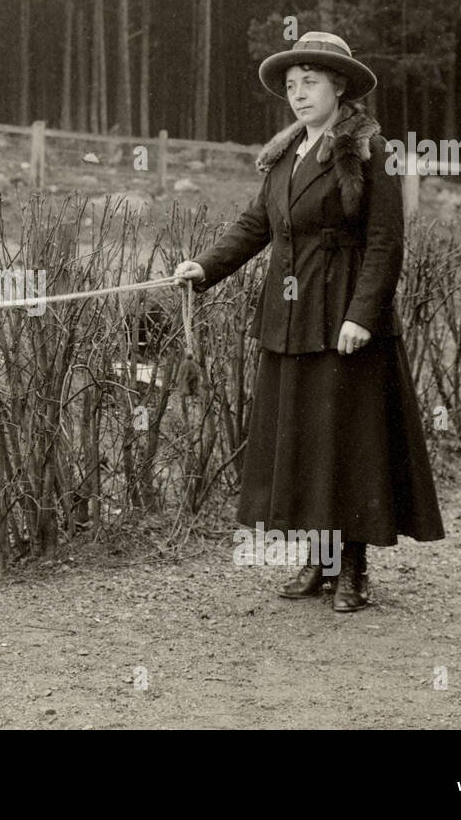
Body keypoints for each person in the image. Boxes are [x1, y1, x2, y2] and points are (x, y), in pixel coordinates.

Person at [174, 31, 444, 612]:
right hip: (290, 321)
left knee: (348, 443)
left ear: (339, 86)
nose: (298, 95)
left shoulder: (372, 151)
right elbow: (254, 227)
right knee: (307, 444)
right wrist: (203, 266)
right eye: (292, 86)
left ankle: (353, 570)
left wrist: (363, 316)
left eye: (311, 83)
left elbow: (385, 241)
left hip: (345, 321)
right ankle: (319, 564)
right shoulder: (284, 157)